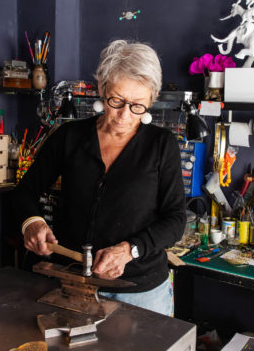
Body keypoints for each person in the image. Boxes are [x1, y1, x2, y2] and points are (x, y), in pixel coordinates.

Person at [14, 39, 187, 316]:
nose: (123, 115)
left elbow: (176, 219)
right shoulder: (69, 137)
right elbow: (25, 192)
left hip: (140, 293)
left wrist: (129, 250)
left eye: (138, 106)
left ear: (151, 100)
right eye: (116, 100)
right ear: (101, 88)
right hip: (71, 284)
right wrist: (31, 222)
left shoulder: (161, 145)